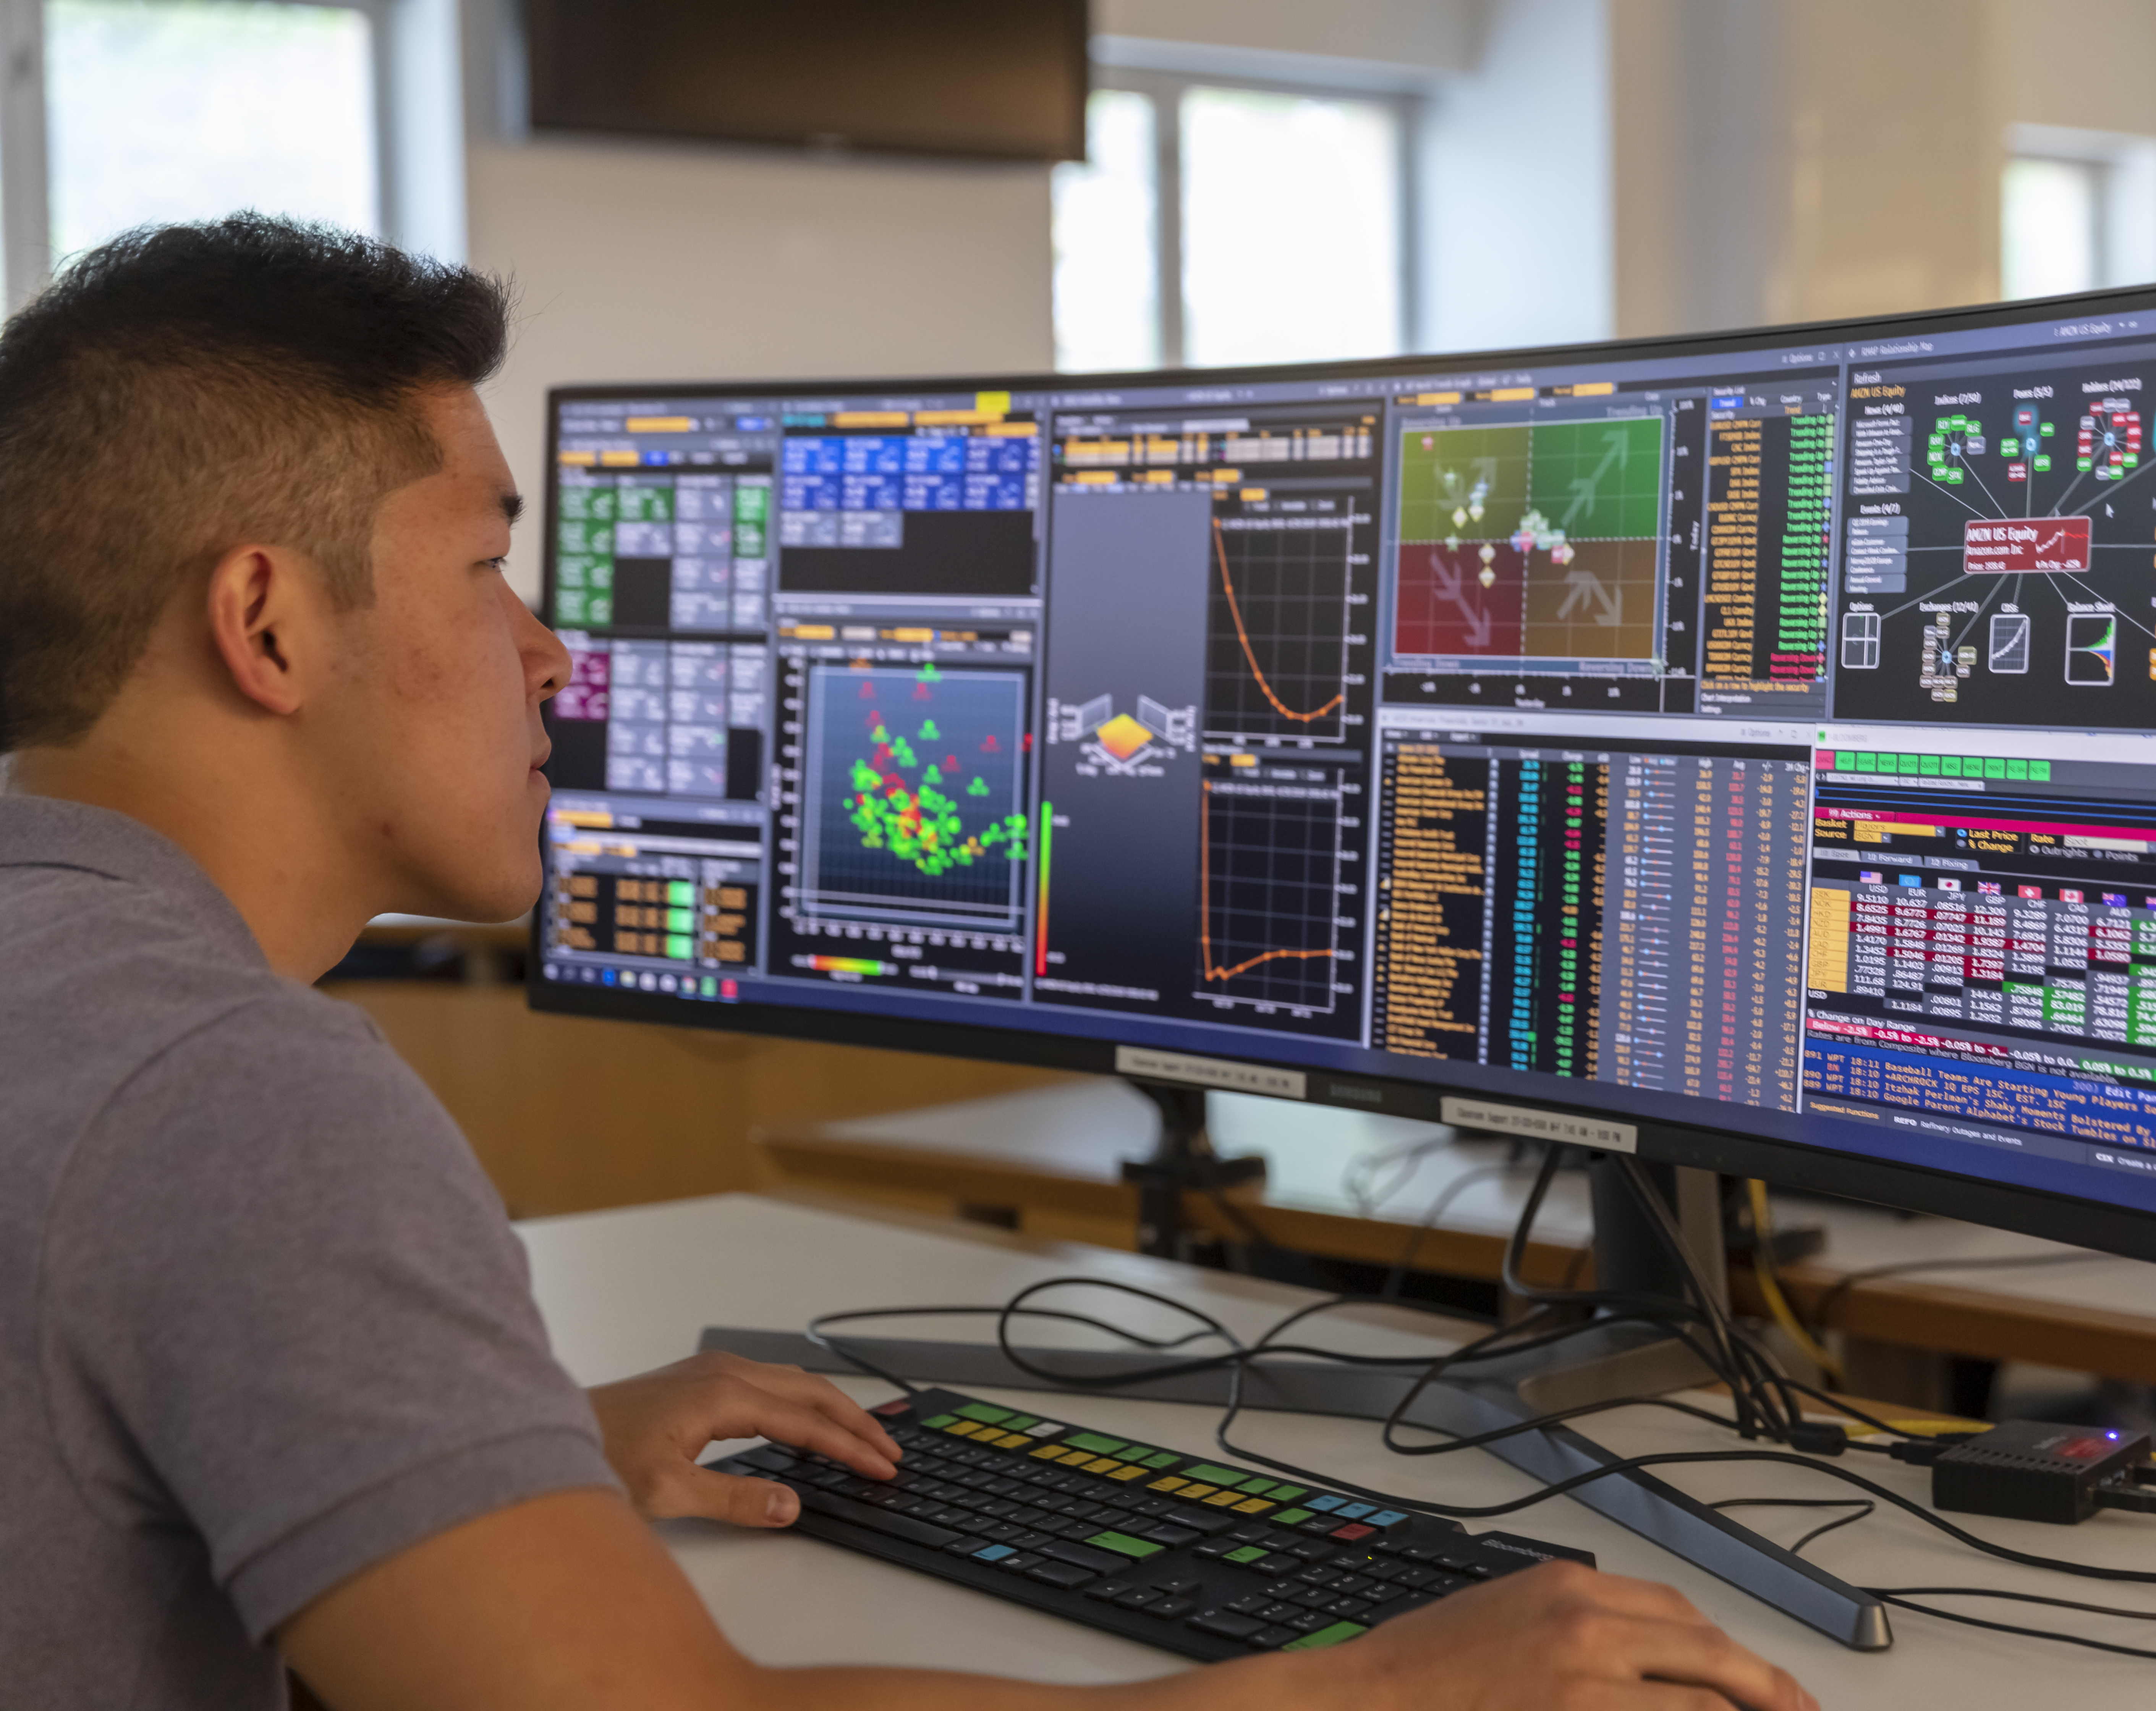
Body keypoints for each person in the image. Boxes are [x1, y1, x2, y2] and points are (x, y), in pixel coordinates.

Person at [0, 215, 1816, 1711]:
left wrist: (483, 1457)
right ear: (265, 623)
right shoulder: (239, 1097)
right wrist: (1373, 1690)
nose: (556, 657)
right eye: (488, 567)